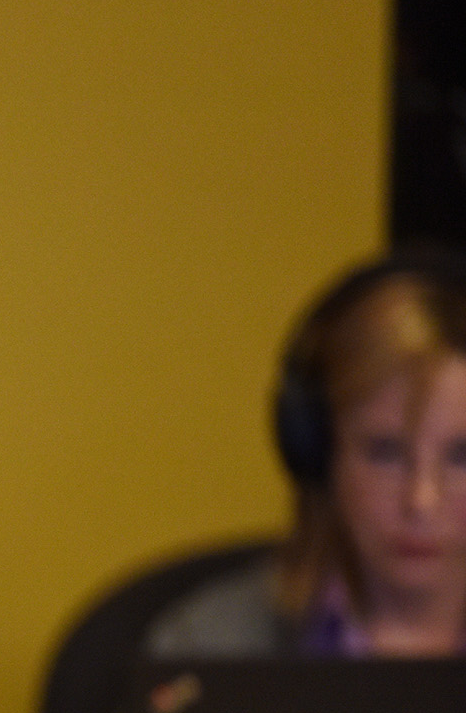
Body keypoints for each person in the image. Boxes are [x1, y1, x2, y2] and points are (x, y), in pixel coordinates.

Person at [147, 250, 466, 662]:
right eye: (385, 453)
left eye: (462, 456)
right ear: (316, 449)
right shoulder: (206, 647)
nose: (421, 501)